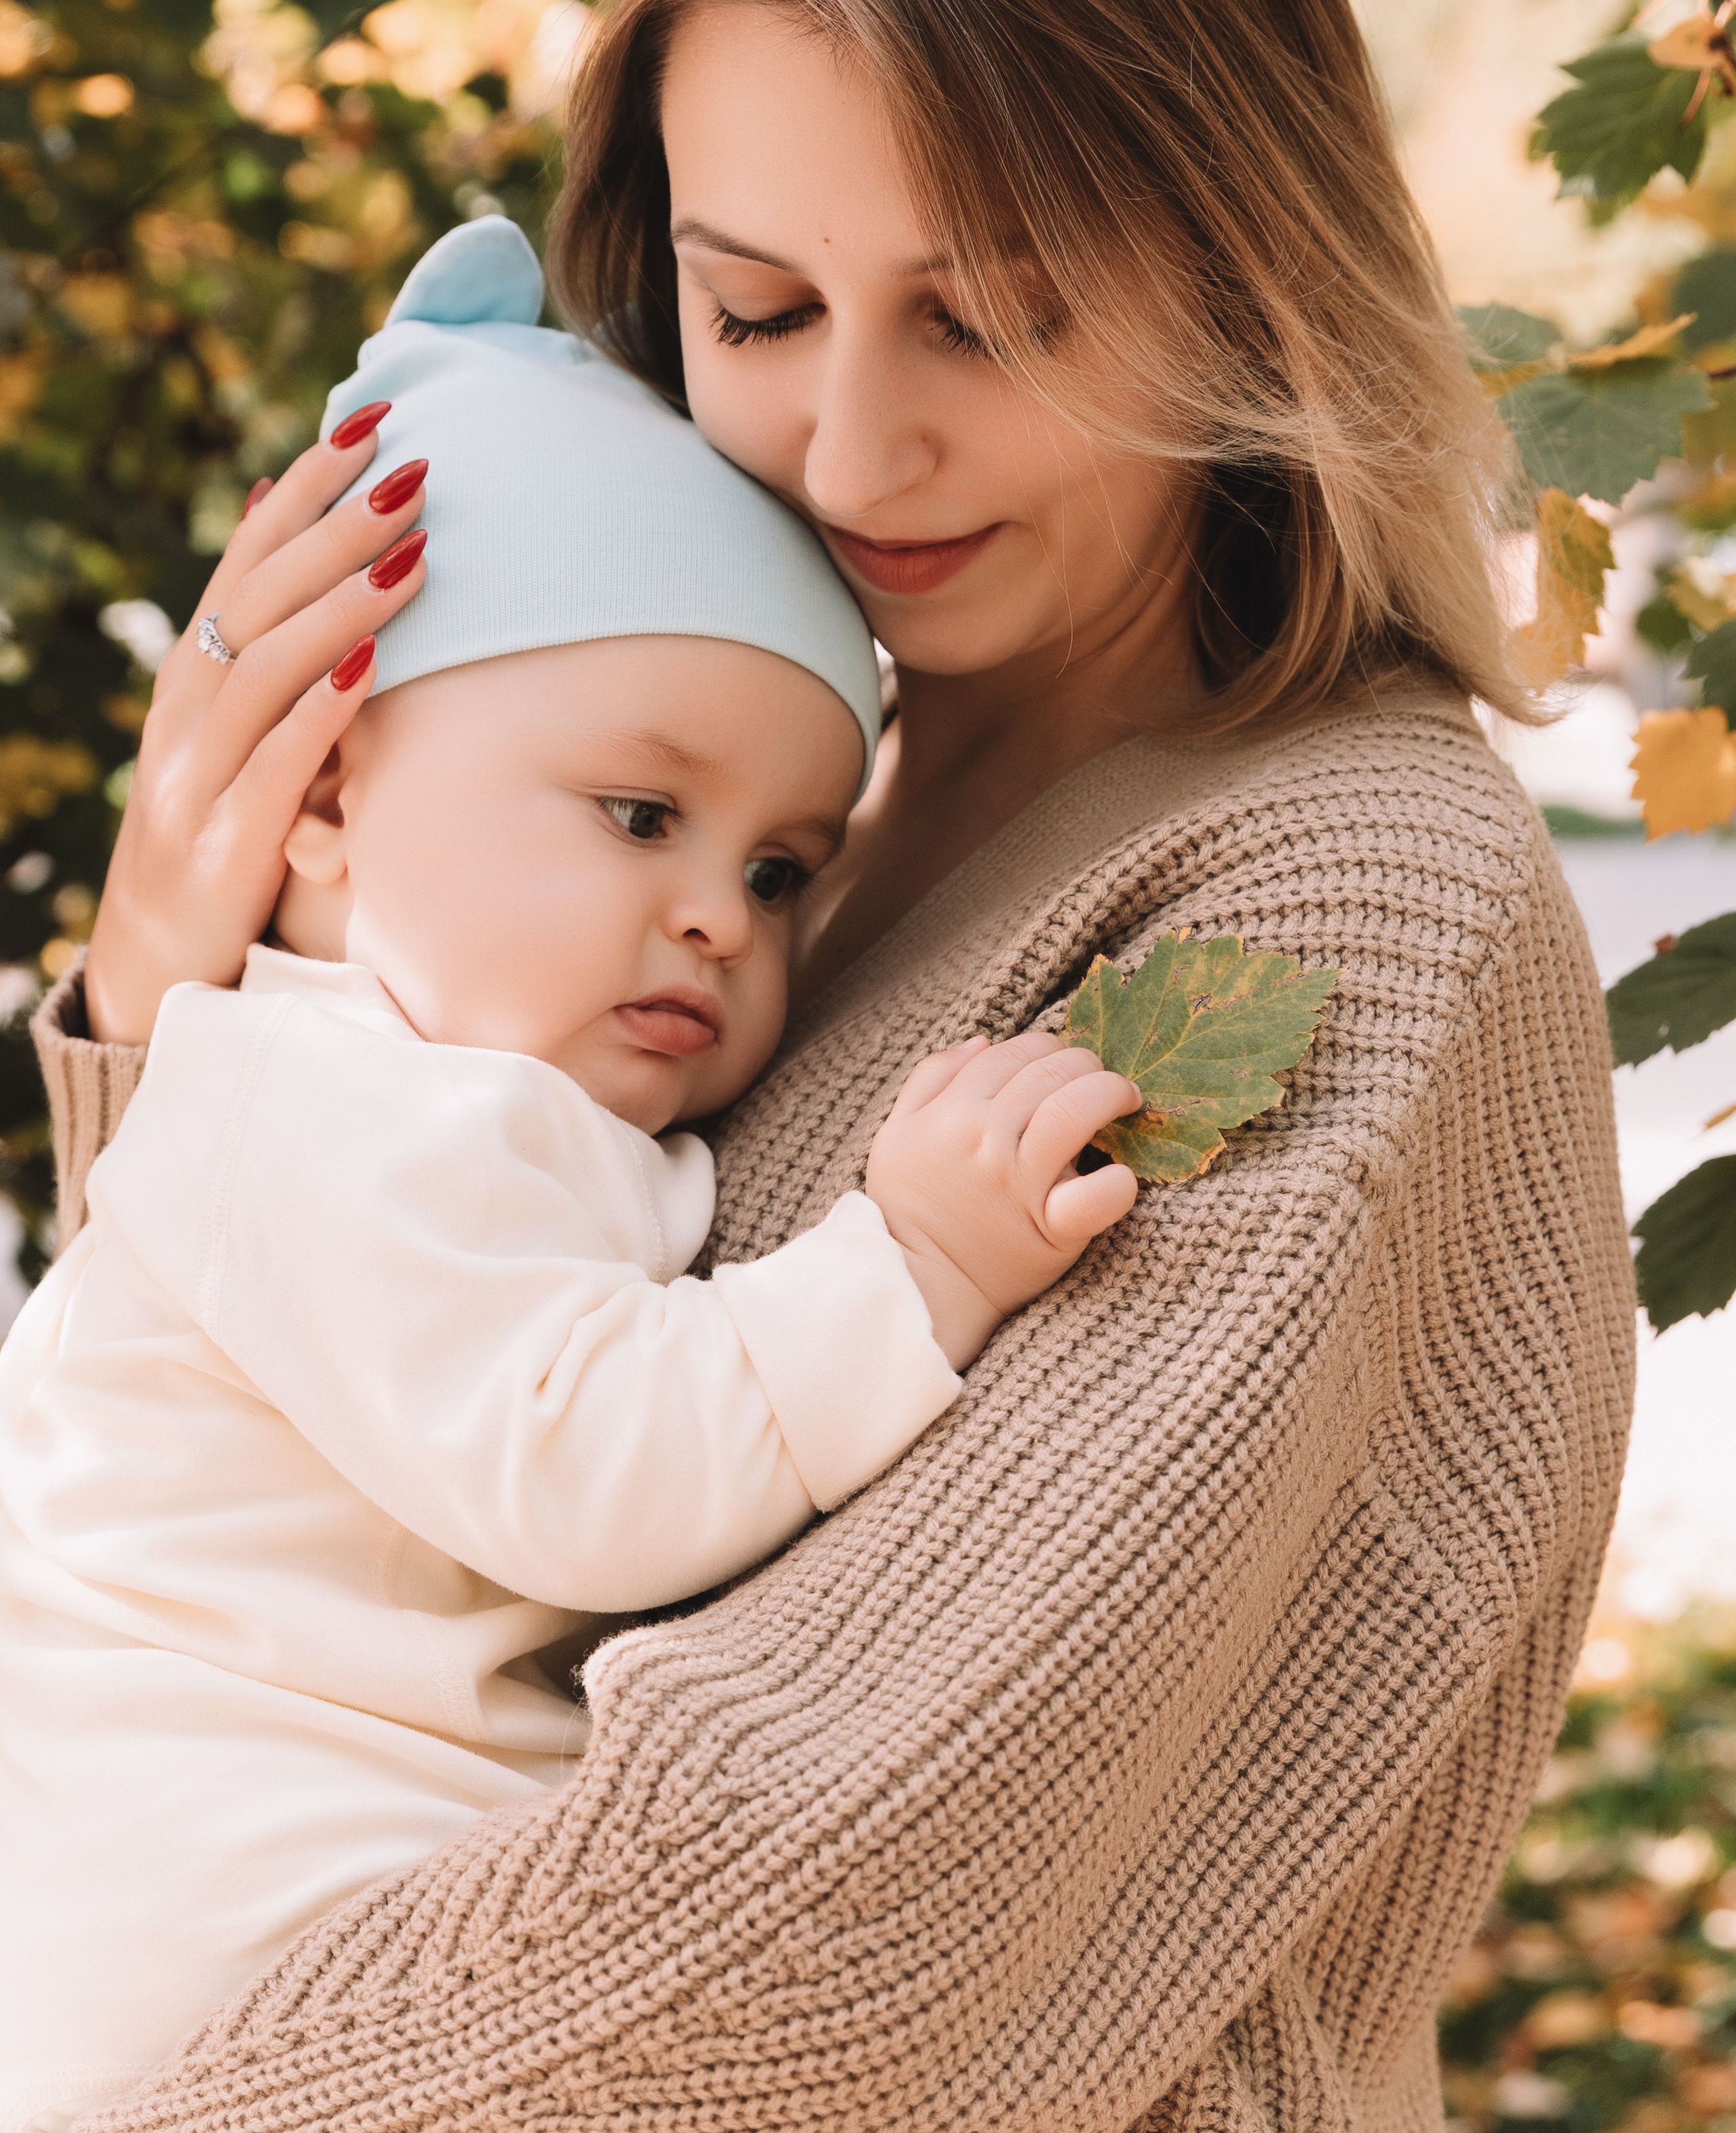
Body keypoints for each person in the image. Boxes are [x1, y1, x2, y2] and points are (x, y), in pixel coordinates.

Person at [31, 0, 1634, 2132]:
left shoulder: (1341, 908)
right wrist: (177, 999)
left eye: (988, 317)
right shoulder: (760, 817)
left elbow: (817, 1924)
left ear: (1246, 259)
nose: (854, 450)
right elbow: (286, 1549)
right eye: (756, 309)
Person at [0, 218, 1140, 2130]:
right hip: (214, 1925)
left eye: (780, 869)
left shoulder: (450, 1099)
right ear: (330, 794)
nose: (719, 917)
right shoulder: (324, 1108)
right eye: (637, 813)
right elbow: (586, 1468)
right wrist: (912, 1265)